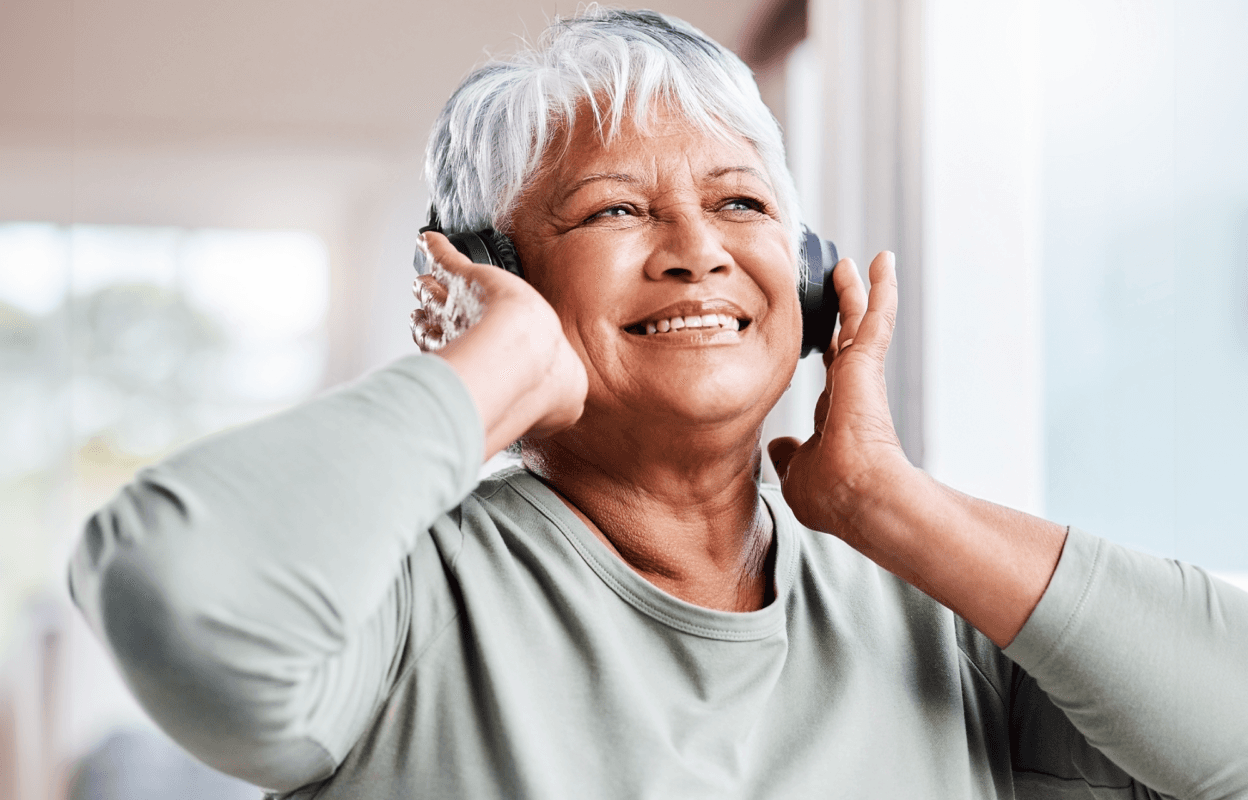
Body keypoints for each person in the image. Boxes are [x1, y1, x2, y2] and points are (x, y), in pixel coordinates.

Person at [68, 8, 1247, 799]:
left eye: (741, 204)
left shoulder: (935, 617)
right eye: (614, 211)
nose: (698, 250)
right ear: (491, 279)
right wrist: (493, 369)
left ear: (814, 272)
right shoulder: (404, 603)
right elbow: (179, 592)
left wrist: (890, 501)